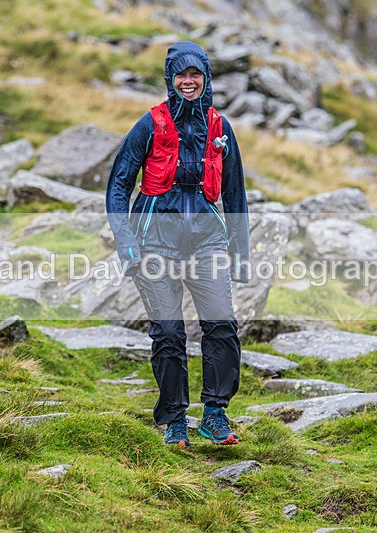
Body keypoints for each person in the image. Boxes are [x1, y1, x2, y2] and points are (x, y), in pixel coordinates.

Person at [105, 41, 250, 449]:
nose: (188, 82)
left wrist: (240, 253)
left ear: (206, 80)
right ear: (170, 79)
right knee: (168, 334)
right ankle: (174, 420)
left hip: (208, 241)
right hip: (155, 243)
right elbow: (119, 185)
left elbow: (236, 196)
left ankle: (215, 415)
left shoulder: (221, 129)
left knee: (221, 326)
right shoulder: (150, 124)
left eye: (195, 75)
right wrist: (125, 240)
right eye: (180, 75)